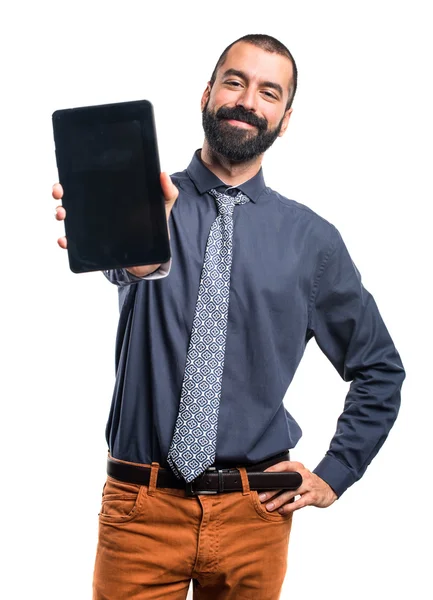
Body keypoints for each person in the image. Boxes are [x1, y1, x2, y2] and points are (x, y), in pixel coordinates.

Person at [53, 34, 405, 600]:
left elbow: (380, 369)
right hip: (140, 510)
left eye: (269, 92)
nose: (247, 100)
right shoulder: (148, 197)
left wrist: (335, 473)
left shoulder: (312, 242)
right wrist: (135, 258)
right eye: (235, 82)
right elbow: (126, 271)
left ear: (284, 119)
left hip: (254, 516)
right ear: (206, 94)